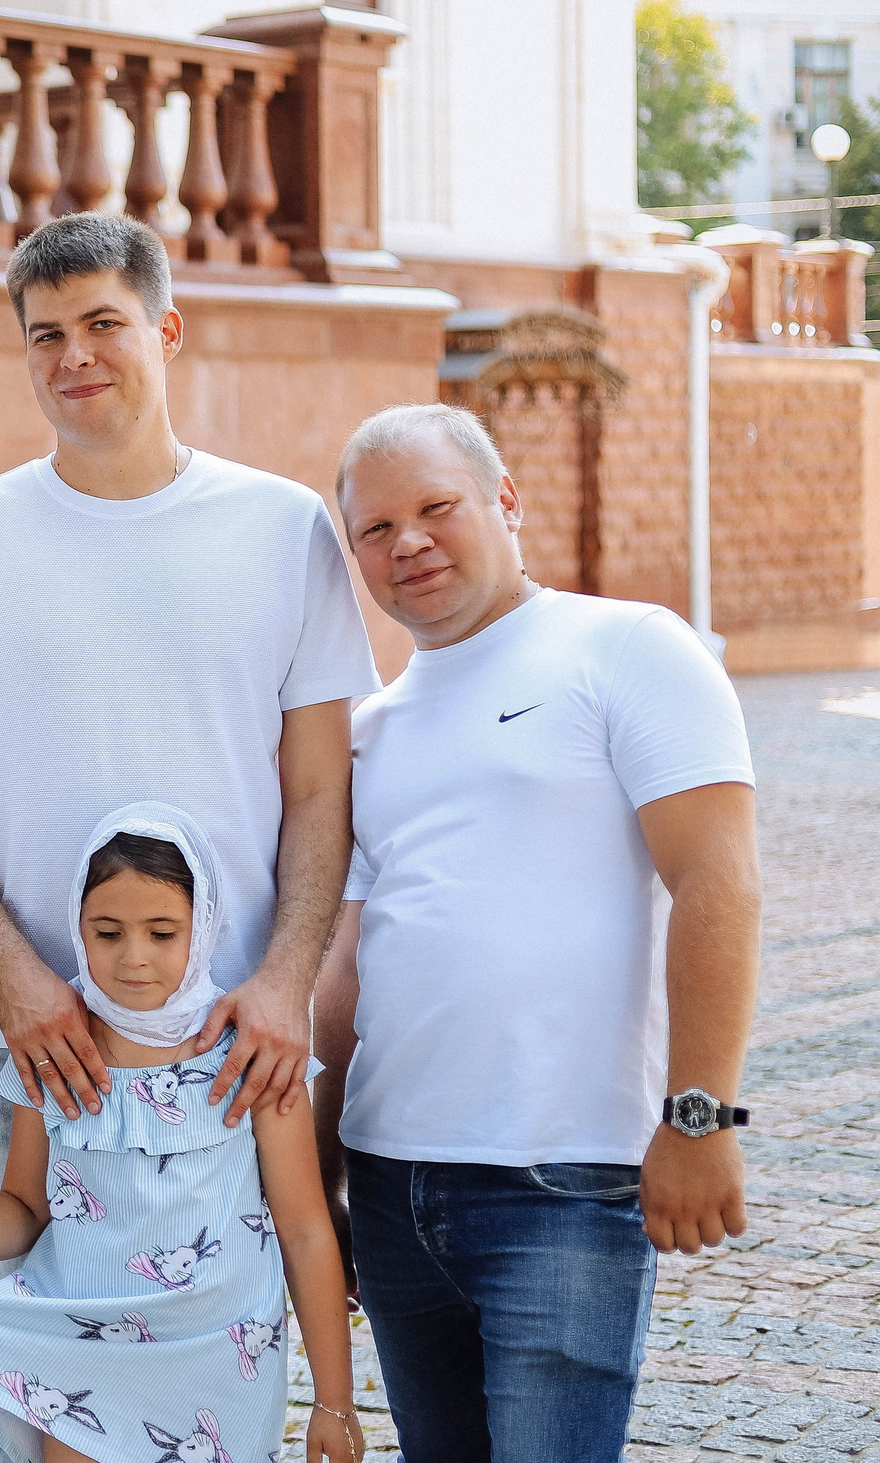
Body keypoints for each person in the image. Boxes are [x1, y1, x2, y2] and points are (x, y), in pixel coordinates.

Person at [0, 212, 376, 1384]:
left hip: (231, 1055)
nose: (73, 355)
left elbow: (317, 791)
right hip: (37, 1057)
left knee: (216, 1401)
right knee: (46, 1408)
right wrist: (19, 979)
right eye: (44, 334)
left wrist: (285, 982)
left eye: (103, 323)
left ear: (167, 330)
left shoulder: (281, 524)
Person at [317, 403, 761, 1462]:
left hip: (559, 1185)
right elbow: (349, 963)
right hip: (387, 1182)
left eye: (436, 508)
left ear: (505, 501)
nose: (407, 542)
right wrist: (315, 1168)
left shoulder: (626, 646)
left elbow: (719, 880)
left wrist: (699, 1115)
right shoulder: (370, 728)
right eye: (375, 530)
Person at [0, 806, 361, 1463]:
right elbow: (23, 1210)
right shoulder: (56, 1058)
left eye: (163, 933)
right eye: (107, 932)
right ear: (78, 930)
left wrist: (333, 1402)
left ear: (205, 926)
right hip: (80, 1348)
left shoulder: (251, 1059)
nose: (134, 958)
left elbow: (305, 1232)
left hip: (220, 1356)